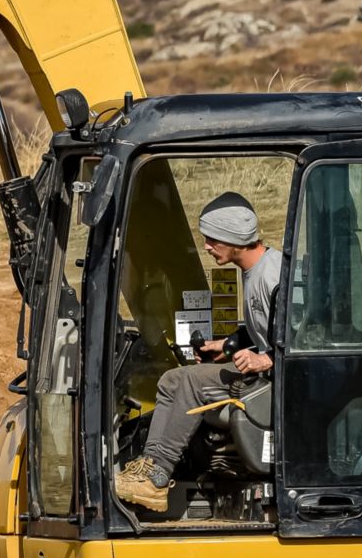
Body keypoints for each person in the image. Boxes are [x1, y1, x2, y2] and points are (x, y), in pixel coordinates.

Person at [114, 193, 282, 514]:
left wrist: (267, 358)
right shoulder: (256, 271)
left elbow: (303, 335)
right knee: (172, 380)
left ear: (233, 238)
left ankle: (157, 477)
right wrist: (228, 344)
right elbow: (264, 327)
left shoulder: (274, 277)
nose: (206, 246)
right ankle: (150, 468)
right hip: (265, 373)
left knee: (187, 382)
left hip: (277, 381)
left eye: (212, 238)